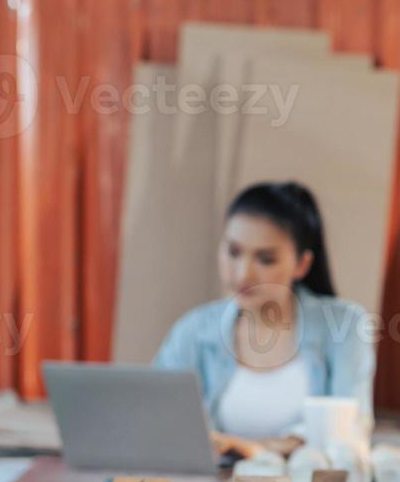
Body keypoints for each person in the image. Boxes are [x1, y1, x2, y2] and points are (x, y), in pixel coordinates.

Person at [153, 182, 375, 459]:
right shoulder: (193, 331)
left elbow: (348, 430)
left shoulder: (343, 325)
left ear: (301, 265)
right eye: (233, 252)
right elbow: (158, 424)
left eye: (265, 259)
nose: (243, 274)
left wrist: (254, 450)